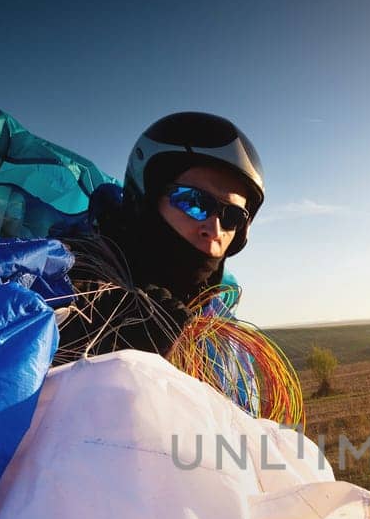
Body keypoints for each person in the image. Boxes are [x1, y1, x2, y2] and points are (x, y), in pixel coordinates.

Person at [57, 111, 265, 362]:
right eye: (193, 201)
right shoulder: (62, 281)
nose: (215, 229)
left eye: (233, 216)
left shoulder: (219, 335)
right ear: (146, 201)